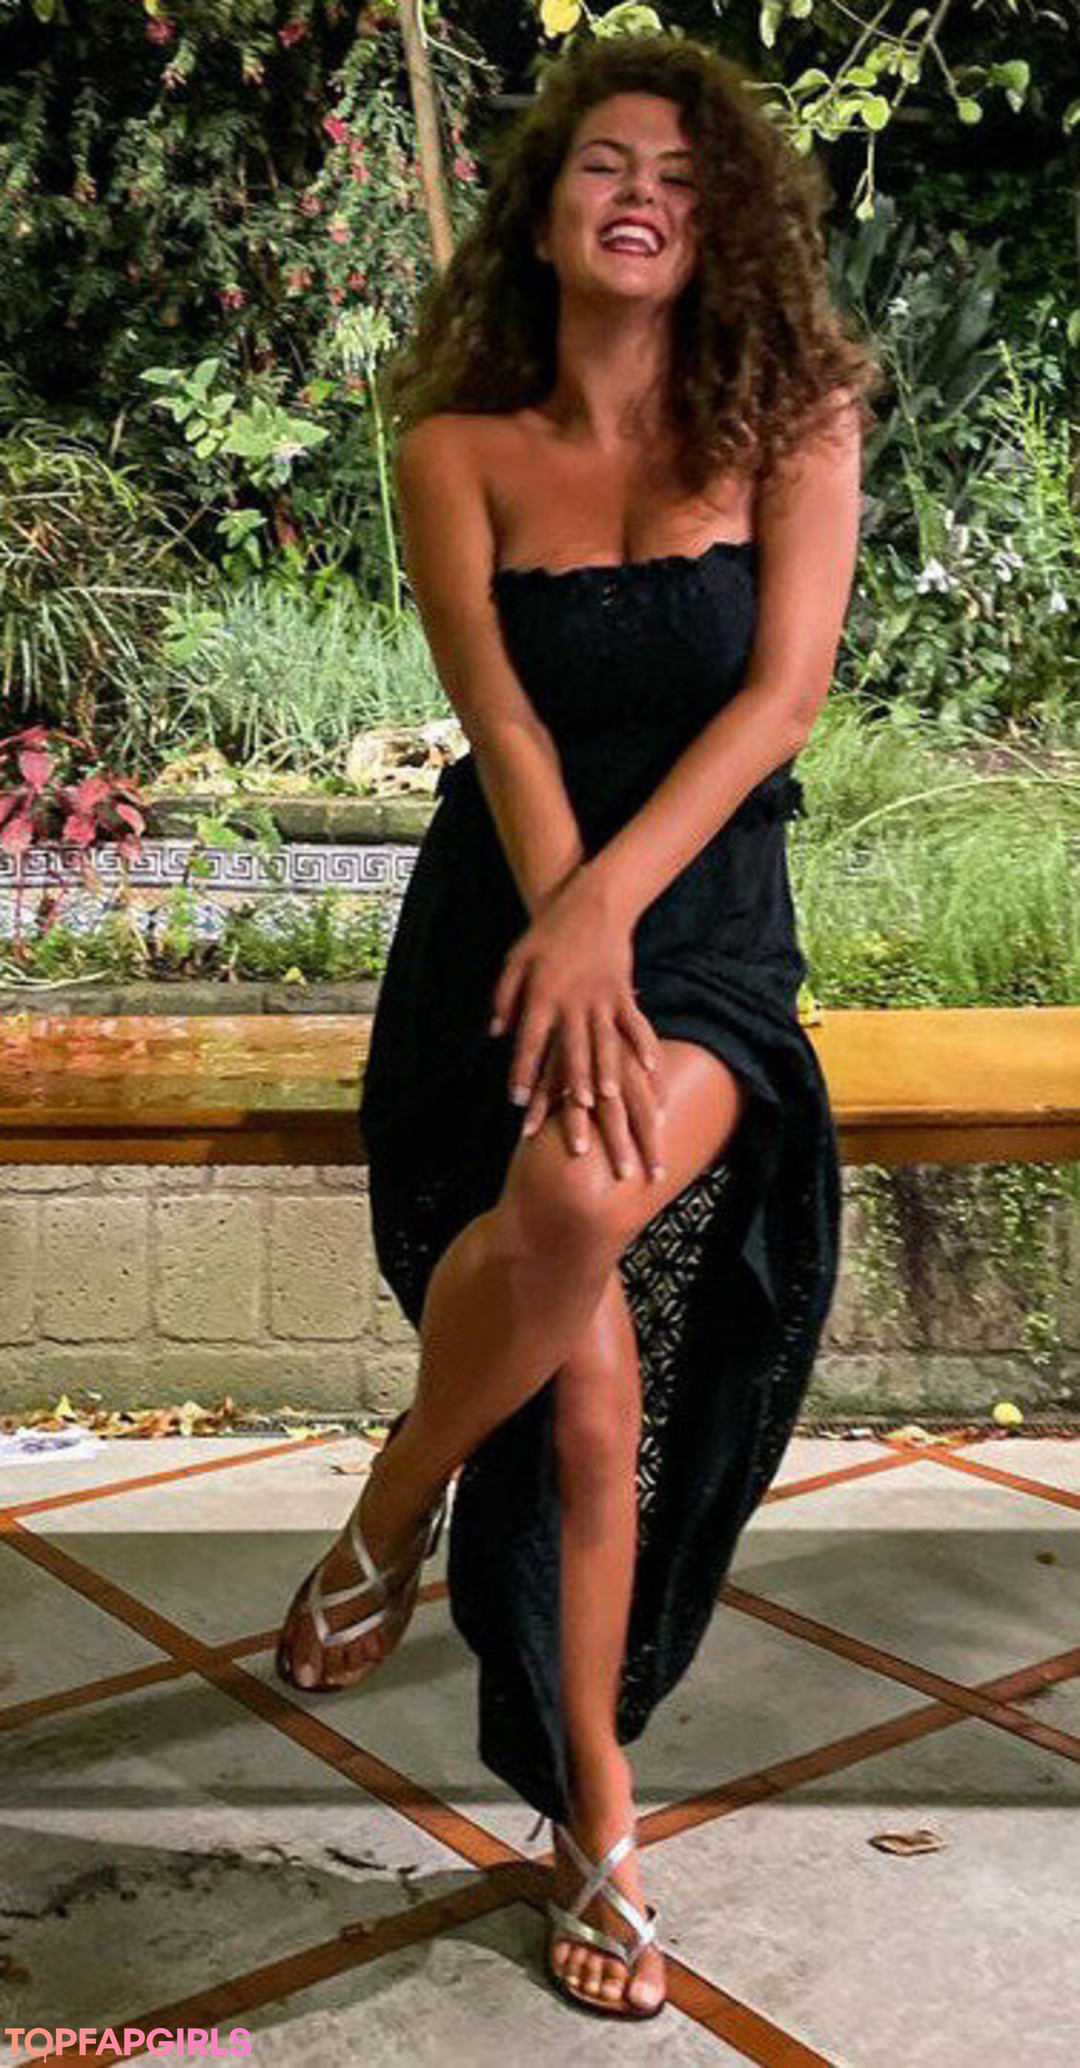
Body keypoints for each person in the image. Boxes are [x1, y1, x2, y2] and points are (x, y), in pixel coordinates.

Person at [276, 30, 881, 2022]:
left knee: (574, 1194)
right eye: (607, 164)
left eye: (685, 179)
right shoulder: (455, 440)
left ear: (726, 229)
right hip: (502, 921)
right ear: (542, 212)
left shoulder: (797, 417)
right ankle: (595, 1810)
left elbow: (780, 699)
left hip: (701, 919)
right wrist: (561, 917)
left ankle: (394, 1494)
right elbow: (505, 720)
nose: (643, 197)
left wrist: (614, 917)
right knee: (589, 1388)